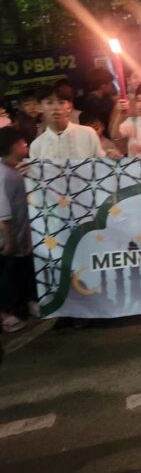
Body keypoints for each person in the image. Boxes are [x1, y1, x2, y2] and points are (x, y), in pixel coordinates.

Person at [0, 128, 38, 333]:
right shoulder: (2, 174)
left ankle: (28, 302)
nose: (26, 146)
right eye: (24, 143)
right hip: (9, 237)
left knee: (23, 270)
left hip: (22, 234)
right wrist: (8, 240)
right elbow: (2, 212)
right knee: (6, 275)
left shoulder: (18, 169)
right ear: (15, 146)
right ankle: (7, 314)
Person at [30, 82, 104, 159]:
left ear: (70, 106)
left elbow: (101, 165)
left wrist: (111, 158)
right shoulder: (36, 146)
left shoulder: (88, 133)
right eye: (49, 103)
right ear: (39, 107)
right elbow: (36, 170)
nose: (56, 107)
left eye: (61, 102)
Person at [82, 67, 116, 134]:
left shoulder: (102, 99)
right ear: (103, 85)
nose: (112, 86)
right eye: (110, 83)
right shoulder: (93, 102)